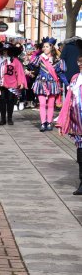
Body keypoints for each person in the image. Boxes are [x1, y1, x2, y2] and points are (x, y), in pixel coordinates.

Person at [29, 38, 68, 131]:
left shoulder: (57, 60)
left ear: (52, 47)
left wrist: (67, 84)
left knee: (51, 105)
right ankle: (43, 123)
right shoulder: (40, 58)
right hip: (41, 83)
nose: (44, 48)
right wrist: (38, 55)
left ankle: (49, 122)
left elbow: (61, 73)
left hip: (52, 84)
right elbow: (31, 66)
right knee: (42, 104)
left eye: (47, 47)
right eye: (43, 47)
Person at [56, 55, 82, 195]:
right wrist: (62, 122)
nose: (80, 64)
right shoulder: (75, 78)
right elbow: (68, 101)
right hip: (78, 122)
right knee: (80, 154)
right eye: (79, 61)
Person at [0, 44, 27, 126]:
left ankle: (9, 118)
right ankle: (2, 119)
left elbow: (20, 72)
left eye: (7, 51)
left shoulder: (15, 61)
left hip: (12, 84)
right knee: (2, 101)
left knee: (10, 101)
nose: (5, 52)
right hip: (1, 84)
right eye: (4, 50)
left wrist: (20, 82)